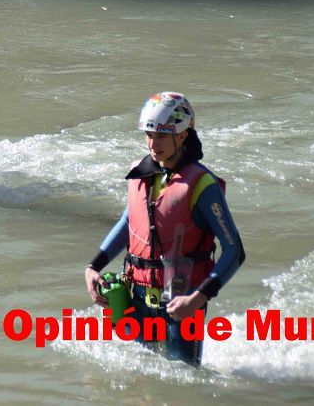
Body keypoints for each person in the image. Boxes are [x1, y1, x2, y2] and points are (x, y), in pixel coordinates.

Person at [83, 92, 245, 365]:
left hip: (182, 302)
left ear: (181, 136)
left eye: (160, 136)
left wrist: (197, 298)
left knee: (184, 382)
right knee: (140, 379)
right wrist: (92, 267)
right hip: (137, 295)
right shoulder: (140, 173)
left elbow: (234, 251)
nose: (151, 144)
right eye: (148, 134)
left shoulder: (203, 185)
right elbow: (128, 223)